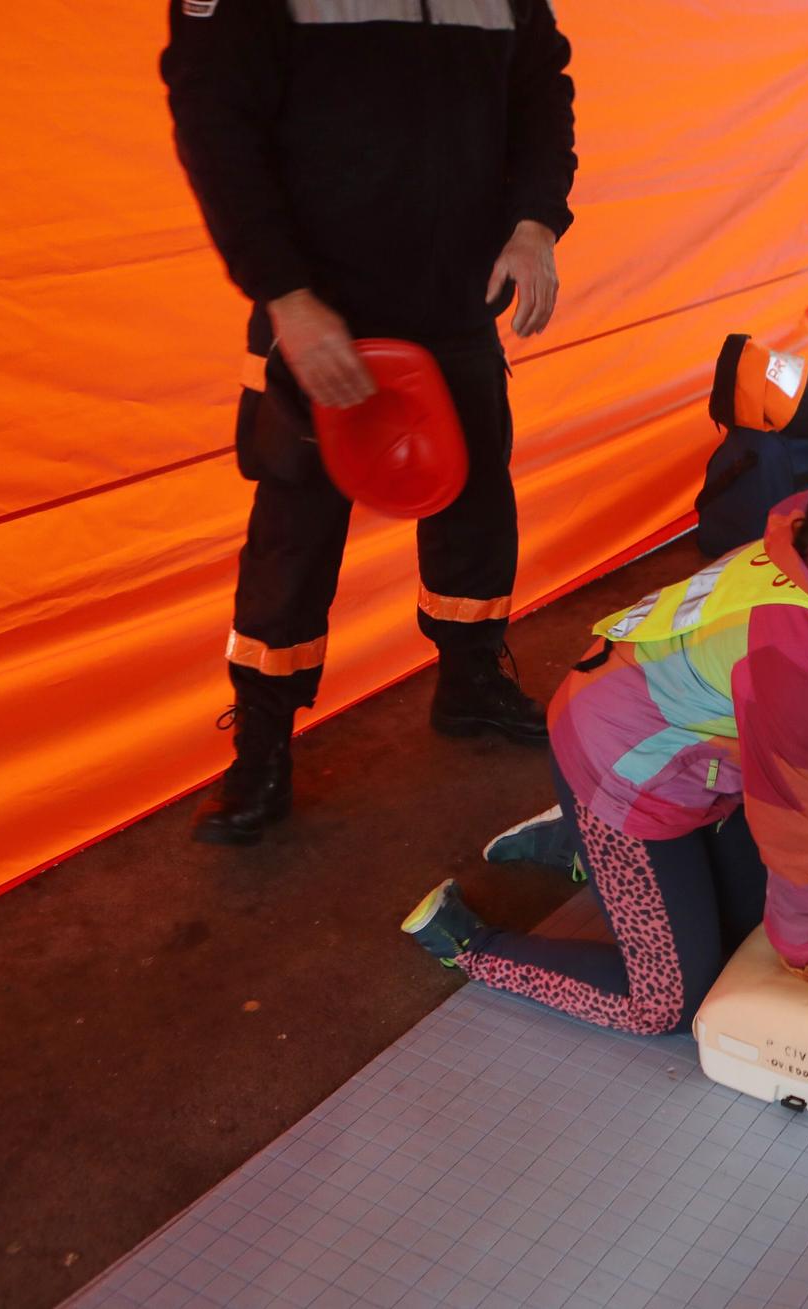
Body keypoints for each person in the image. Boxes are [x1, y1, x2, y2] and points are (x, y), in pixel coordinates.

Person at [401, 462, 808, 1036]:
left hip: (708, 763)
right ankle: (474, 942)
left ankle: (580, 847)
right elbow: (799, 827)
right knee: (666, 1000)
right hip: (623, 766)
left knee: (755, 921)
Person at [161, 0, 578, 846]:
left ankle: (469, 684)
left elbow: (543, 91)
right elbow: (214, 121)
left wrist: (536, 223)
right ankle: (263, 744)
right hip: (319, 308)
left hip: (458, 296)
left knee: (474, 503)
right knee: (292, 533)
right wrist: (282, 292)